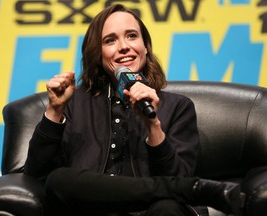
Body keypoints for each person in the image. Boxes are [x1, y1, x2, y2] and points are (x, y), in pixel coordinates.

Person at [24, 4, 244, 216]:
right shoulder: (74, 103)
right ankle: (198, 188)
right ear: (98, 54)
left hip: (152, 212)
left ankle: (181, 190)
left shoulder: (177, 106)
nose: (123, 46)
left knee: (167, 208)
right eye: (110, 40)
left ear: (145, 47)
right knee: (59, 180)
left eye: (132, 36)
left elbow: (179, 176)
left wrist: (153, 125)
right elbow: (36, 176)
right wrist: (55, 110)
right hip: (90, 209)